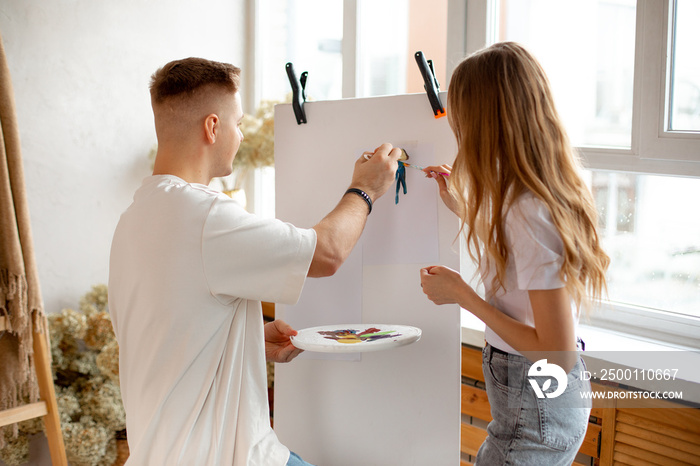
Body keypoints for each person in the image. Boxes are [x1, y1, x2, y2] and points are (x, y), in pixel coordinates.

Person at [108, 57, 401, 466]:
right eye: (238, 123)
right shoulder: (206, 216)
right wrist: (365, 189)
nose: (241, 135)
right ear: (212, 127)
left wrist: (245, 340)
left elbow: (168, 329)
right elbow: (327, 252)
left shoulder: (134, 219)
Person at [419, 42, 609, 465]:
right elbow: (521, 262)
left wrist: (462, 295)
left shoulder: (528, 209)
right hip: (537, 405)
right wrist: (464, 209)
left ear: (487, 122)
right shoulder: (530, 195)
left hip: (536, 409)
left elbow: (557, 353)